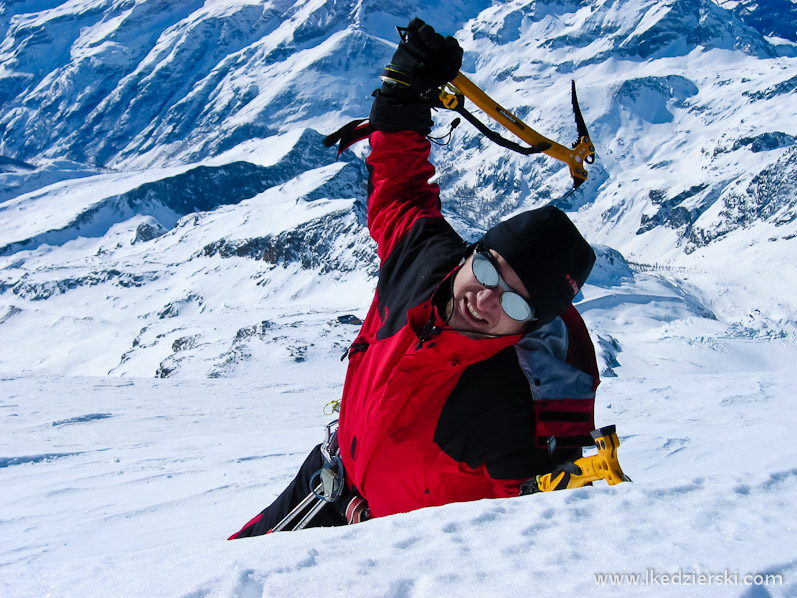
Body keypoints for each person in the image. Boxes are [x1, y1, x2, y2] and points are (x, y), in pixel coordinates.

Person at [229, 18, 599, 538]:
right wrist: (402, 100)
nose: (486, 300)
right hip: (326, 485)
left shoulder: (508, 416)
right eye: (490, 270)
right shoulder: (424, 260)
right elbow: (400, 192)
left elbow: (538, 535)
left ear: (529, 327)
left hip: (385, 550)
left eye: (514, 305)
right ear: (475, 251)